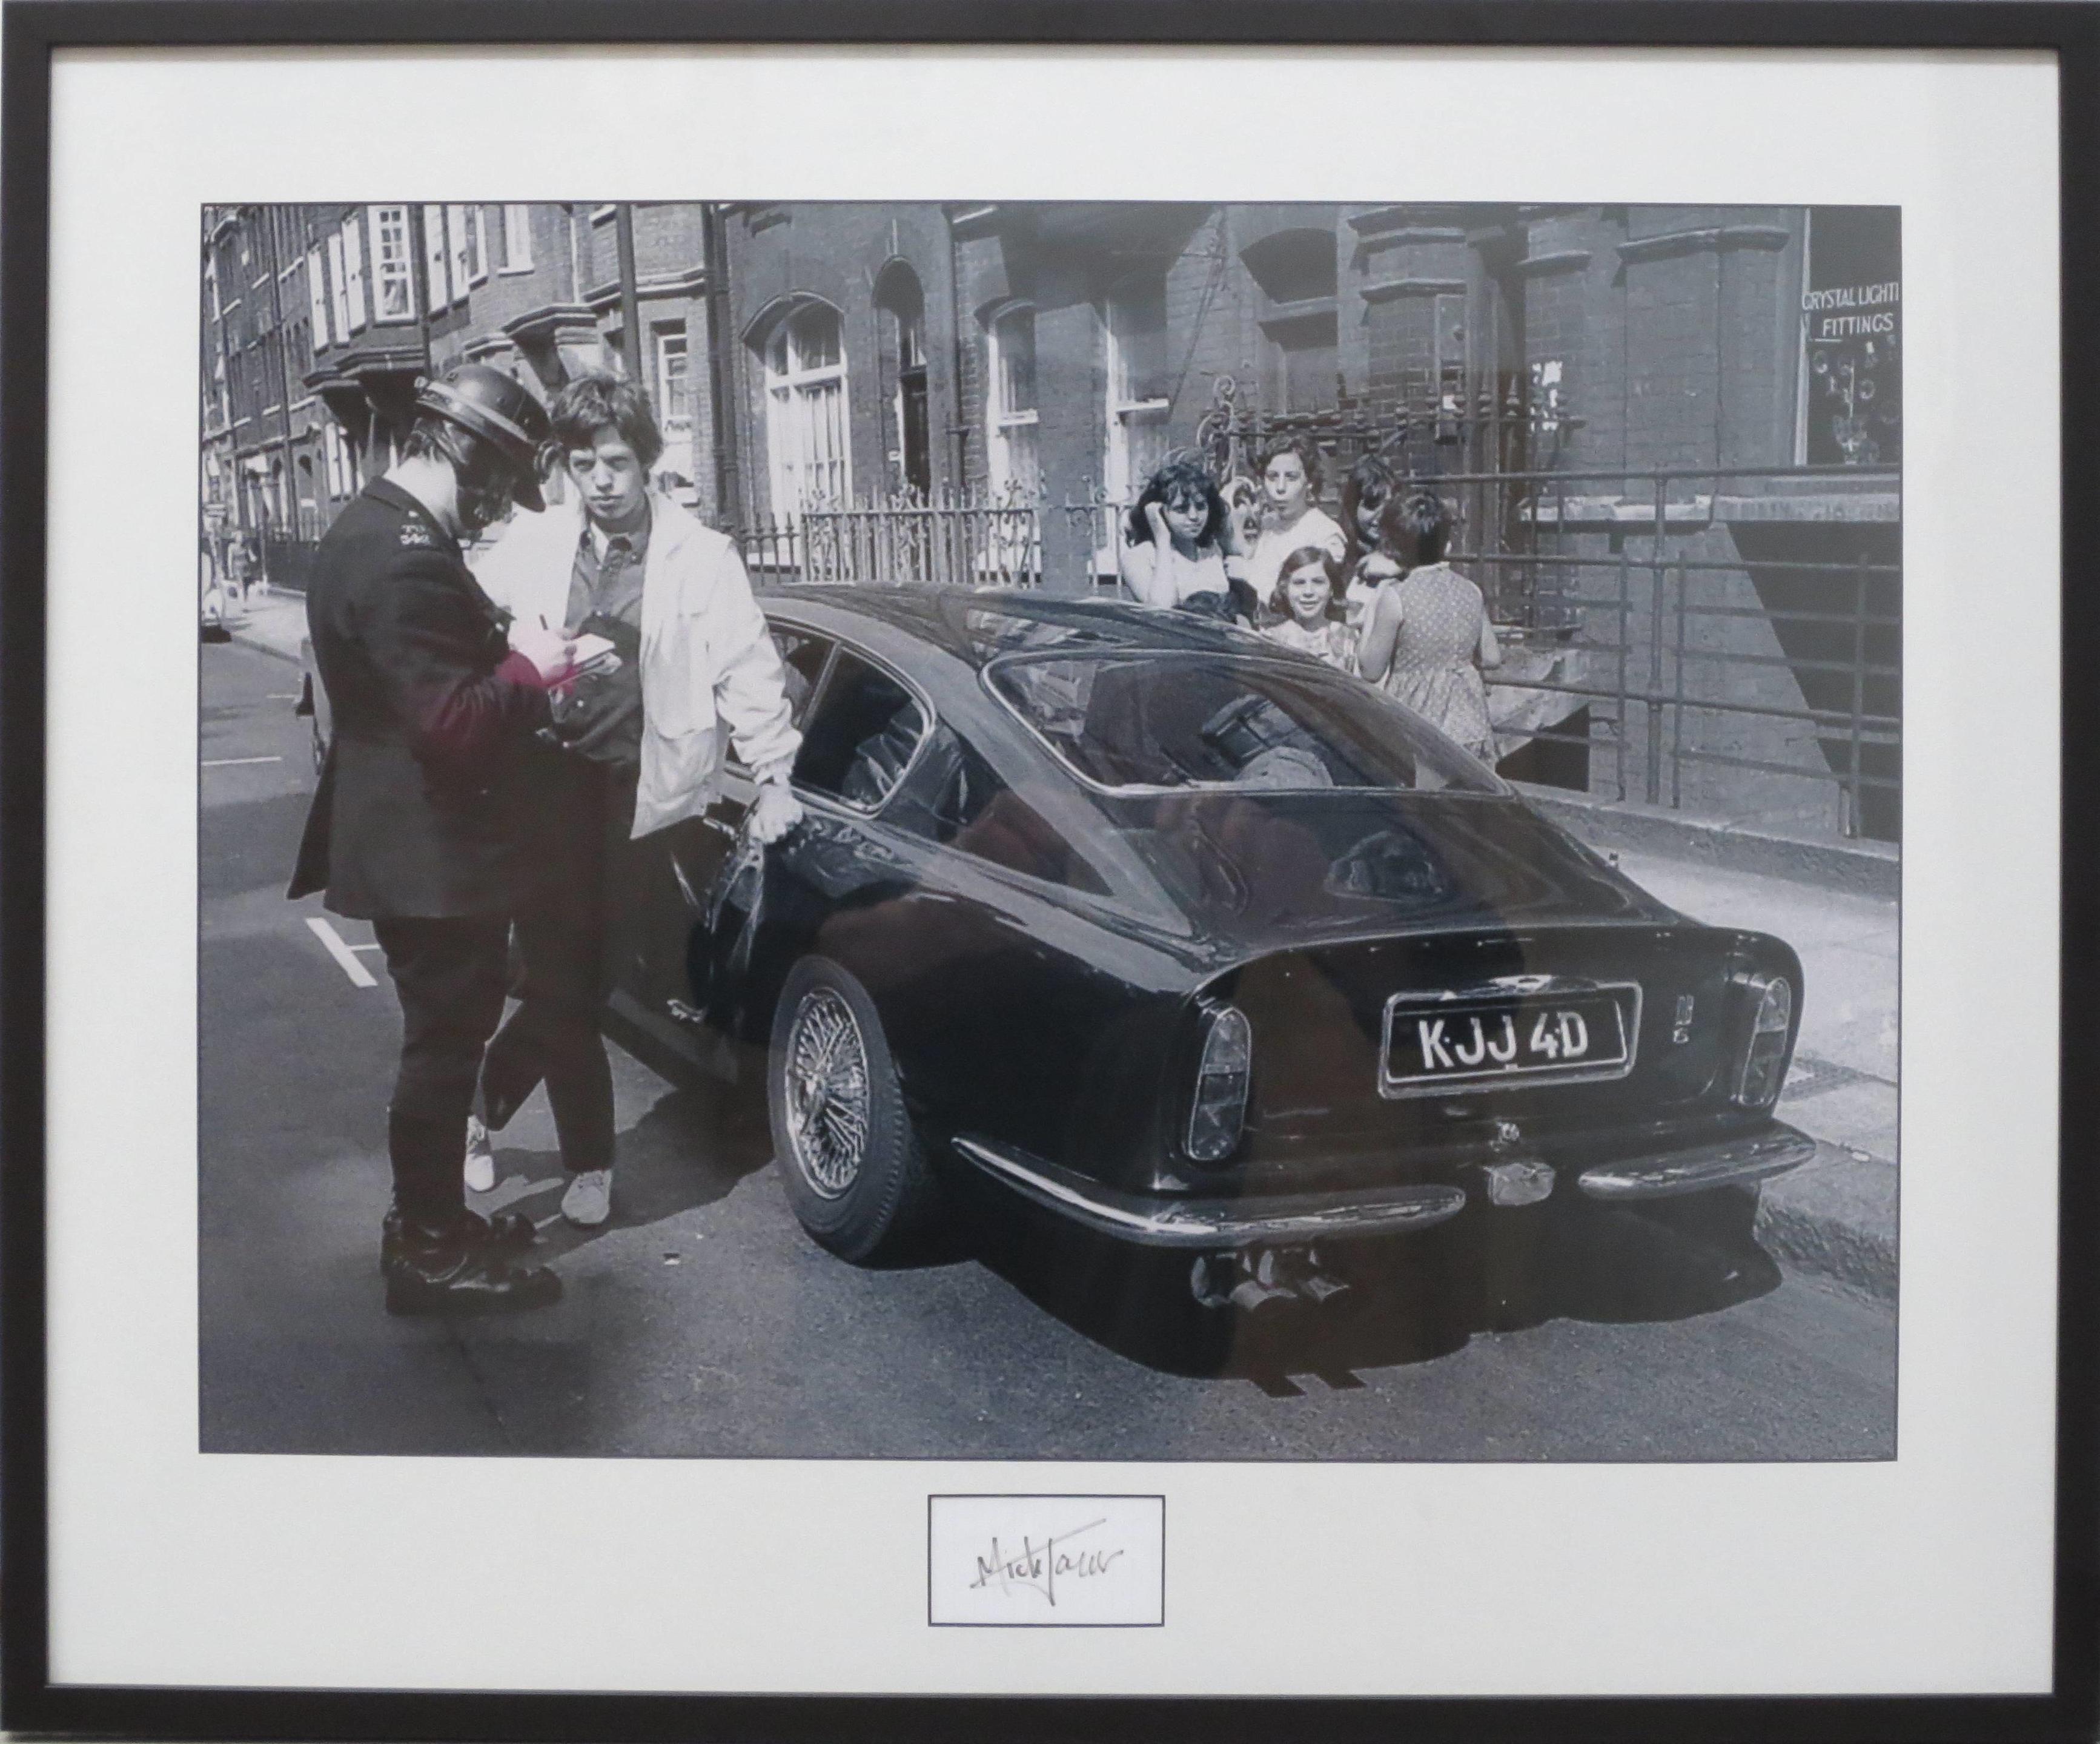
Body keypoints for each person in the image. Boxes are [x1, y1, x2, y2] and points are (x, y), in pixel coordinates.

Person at [468, 373, 805, 1227]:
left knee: (589, 985)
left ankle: (475, 1107)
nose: (601, 481)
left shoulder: (701, 556)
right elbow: (468, 602)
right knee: (562, 985)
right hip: (543, 787)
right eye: (583, 465)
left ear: (647, 461)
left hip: (642, 798)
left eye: (615, 462)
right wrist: (526, 657)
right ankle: (590, 1162)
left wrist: (772, 777)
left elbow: (748, 671)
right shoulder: (540, 543)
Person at [287, 363, 576, 1315]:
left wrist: (499, 649)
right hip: (432, 854)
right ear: (463, 453)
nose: (497, 509)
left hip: (411, 841)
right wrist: (531, 670)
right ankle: (430, 1249)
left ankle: (433, 1221)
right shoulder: (407, 553)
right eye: (496, 484)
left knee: (442, 1044)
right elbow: (450, 724)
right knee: (444, 1051)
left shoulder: (370, 528)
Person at [1356, 488, 1503, 765]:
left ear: (1391, 549)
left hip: (1419, 723)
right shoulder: (1471, 590)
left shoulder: (1395, 597)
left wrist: (1371, 613)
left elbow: (1370, 670)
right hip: (1470, 722)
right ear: (1447, 544)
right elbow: (1492, 658)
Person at [1228, 435, 1347, 619]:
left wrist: (1248, 576)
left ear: (1310, 483)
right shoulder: (1269, 524)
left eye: (1291, 477)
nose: (1280, 488)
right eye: (1273, 477)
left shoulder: (1325, 534)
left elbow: (1312, 603)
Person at [1116, 456, 1242, 623]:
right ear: (1159, 512)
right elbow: (1162, 610)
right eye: (1181, 509)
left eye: (1200, 506)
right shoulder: (1138, 557)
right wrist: (1162, 538)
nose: (1194, 517)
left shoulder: (1212, 550)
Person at [1262, 546, 1357, 672]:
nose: (1308, 592)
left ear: (1332, 588)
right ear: (1285, 589)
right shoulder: (1270, 640)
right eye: (1299, 583)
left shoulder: (1348, 638)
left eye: (1318, 582)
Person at [1338, 453, 1405, 630]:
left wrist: (1402, 566)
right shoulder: (1336, 548)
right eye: (1371, 506)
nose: (1380, 517)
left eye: (1388, 506)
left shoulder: (1408, 553)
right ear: (1353, 506)